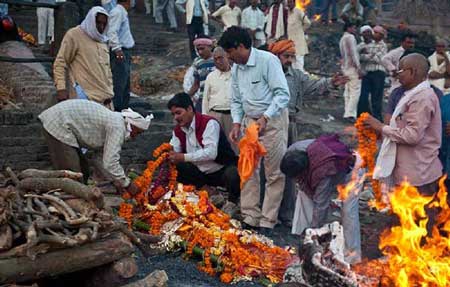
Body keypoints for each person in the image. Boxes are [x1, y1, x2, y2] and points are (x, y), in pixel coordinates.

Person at [218, 27, 290, 234]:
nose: (229, 57)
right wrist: (237, 124)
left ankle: (268, 220)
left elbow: (282, 95)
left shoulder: (268, 61)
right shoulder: (237, 68)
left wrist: (266, 117)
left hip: (272, 120)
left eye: (230, 52)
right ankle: (250, 216)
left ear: (241, 46)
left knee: (274, 172)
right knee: (248, 170)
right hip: (249, 123)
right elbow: (236, 99)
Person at [268, 39, 347, 226]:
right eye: (286, 56)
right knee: (272, 170)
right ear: (276, 56)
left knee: (291, 169)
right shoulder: (267, 73)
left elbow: (313, 86)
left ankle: (286, 214)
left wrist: (331, 83)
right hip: (272, 124)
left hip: (291, 124)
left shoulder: (295, 75)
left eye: (291, 57)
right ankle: (269, 214)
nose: (289, 60)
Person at [362, 53, 442, 198]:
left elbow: (412, 136)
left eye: (400, 70)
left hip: (418, 174)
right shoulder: (410, 94)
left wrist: (380, 127)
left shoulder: (422, 98)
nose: (397, 74)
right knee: (401, 217)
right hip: (408, 171)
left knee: (419, 218)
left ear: (413, 72)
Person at [38, 99, 152, 193]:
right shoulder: (118, 126)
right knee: (73, 173)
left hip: (63, 122)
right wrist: (127, 184)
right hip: (58, 123)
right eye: (137, 132)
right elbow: (110, 162)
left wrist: (116, 181)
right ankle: (70, 206)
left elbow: (99, 158)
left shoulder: (117, 122)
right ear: (132, 124)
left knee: (84, 171)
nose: (136, 136)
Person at [280, 135, 363, 263]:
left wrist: (315, 232)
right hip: (331, 169)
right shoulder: (293, 150)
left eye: (297, 177)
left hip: (352, 172)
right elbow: (305, 187)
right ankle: (303, 236)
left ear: (304, 171)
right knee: (303, 195)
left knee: (348, 212)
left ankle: (351, 257)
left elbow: (321, 206)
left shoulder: (322, 172)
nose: (296, 180)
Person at [168, 93, 240, 205]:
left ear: (190, 109)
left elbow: (211, 153)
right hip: (199, 174)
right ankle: (209, 192)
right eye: (173, 114)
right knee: (178, 166)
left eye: (178, 113)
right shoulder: (178, 130)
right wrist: (171, 155)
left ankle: (232, 203)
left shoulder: (209, 123)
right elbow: (175, 152)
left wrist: (183, 157)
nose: (176, 118)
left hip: (220, 169)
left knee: (233, 173)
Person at [53, 7, 114, 107]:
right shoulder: (74, 35)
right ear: (91, 20)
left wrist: (110, 91)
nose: (101, 27)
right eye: (98, 22)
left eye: (104, 24)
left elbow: (107, 71)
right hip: (84, 98)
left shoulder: (103, 40)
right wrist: (61, 88)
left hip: (106, 100)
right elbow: (60, 63)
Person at [202, 47, 238, 154]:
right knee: (216, 146)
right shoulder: (211, 77)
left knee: (235, 146)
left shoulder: (237, 74)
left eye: (220, 58)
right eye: (215, 59)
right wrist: (205, 119)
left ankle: (235, 169)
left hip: (232, 116)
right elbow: (205, 99)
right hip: (215, 115)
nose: (218, 61)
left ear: (227, 56)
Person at [102, 0, 135, 112]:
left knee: (124, 83)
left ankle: (123, 109)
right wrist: (117, 49)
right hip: (120, 52)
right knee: (119, 83)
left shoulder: (121, 12)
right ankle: (116, 109)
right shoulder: (117, 12)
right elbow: (112, 32)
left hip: (125, 51)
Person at [357, 25, 387, 121]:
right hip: (367, 73)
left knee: (376, 97)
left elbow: (378, 59)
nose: (374, 34)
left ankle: (377, 119)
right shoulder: (367, 44)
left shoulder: (383, 45)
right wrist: (369, 55)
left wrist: (367, 55)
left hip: (378, 73)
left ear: (382, 35)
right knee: (363, 96)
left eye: (377, 33)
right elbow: (359, 57)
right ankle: (362, 117)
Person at [339, 21, 361, 122]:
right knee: (355, 91)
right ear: (348, 28)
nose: (355, 30)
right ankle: (350, 114)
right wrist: (359, 68)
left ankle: (346, 112)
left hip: (345, 67)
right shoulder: (350, 38)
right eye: (354, 28)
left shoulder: (342, 38)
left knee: (347, 91)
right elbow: (353, 53)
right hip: (352, 67)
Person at [187, 36, 215, 113]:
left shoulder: (217, 59)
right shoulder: (197, 62)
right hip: (202, 98)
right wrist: (186, 97)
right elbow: (196, 84)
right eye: (198, 49)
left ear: (210, 47)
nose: (200, 52)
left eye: (202, 49)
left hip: (216, 98)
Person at [286, 0, 310, 71]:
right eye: (288, 2)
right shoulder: (287, 13)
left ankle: (301, 79)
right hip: (290, 43)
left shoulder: (298, 11)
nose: (289, 4)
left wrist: (300, 30)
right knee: (292, 64)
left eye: (291, 2)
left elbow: (307, 23)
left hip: (299, 42)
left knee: (299, 63)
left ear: (294, 3)